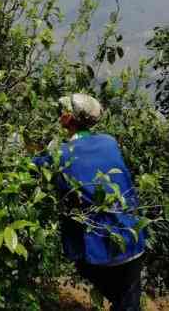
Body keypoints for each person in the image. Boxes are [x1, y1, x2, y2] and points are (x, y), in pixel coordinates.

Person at [32, 93, 145, 311]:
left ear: (67, 118)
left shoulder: (60, 154)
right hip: (133, 239)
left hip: (100, 252)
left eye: (61, 112)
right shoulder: (109, 142)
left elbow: (31, 167)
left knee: (120, 299)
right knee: (127, 303)